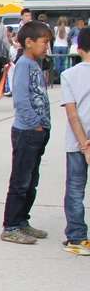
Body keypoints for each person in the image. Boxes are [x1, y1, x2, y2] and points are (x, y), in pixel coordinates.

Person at [1, 21, 53, 245]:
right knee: (21, 181)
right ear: (29, 42)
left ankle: (22, 221)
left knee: (31, 180)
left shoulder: (34, 64)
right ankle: (10, 225)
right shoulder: (23, 64)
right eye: (44, 42)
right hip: (27, 132)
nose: (47, 47)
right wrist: (35, 123)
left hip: (38, 132)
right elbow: (21, 99)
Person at [57, 28, 90, 256]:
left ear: (79, 50)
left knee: (75, 189)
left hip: (76, 142)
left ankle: (77, 237)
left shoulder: (69, 75)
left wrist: (84, 144)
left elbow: (72, 113)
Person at [52, 16, 71, 83]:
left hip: (56, 46)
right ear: (66, 22)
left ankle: (58, 78)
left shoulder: (55, 28)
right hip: (64, 46)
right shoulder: (68, 29)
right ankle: (62, 78)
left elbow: (54, 37)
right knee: (63, 63)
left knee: (57, 63)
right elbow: (68, 38)